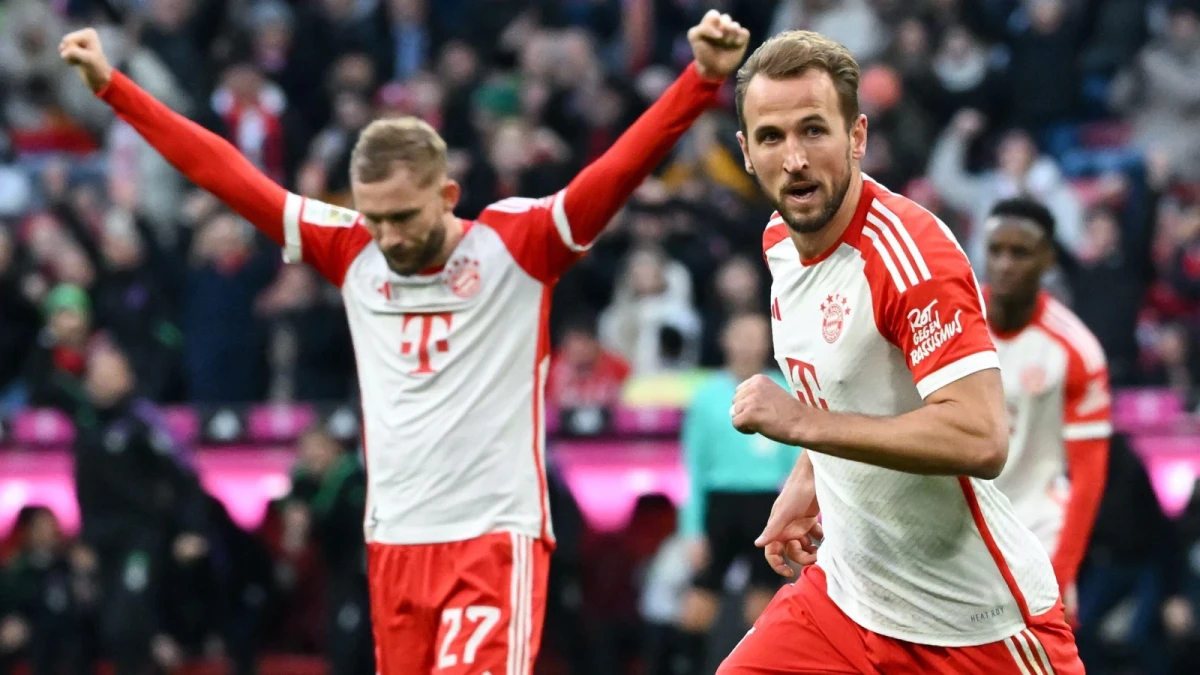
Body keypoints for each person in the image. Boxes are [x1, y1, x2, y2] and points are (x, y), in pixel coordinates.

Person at [59, 12, 750, 674]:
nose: (386, 236)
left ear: (448, 193)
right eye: (374, 217)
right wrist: (114, 89)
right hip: (393, 541)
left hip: (491, 538)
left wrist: (700, 80)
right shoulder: (349, 248)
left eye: (402, 216)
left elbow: (619, 169)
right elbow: (224, 173)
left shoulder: (517, 244)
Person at [720, 30, 1085, 673]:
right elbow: (845, 383)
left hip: (971, 627)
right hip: (845, 601)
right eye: (773, 138)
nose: (795, 159)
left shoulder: (909, 256)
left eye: (814, 131)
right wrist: (808, 479)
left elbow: (980, 436)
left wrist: (800, 425)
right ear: (747, 152)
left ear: (857, 137)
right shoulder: (781, 240)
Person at [983, 197, 1111, 618]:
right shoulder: (951, 318)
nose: (1004, 264)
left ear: (1048, 260)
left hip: (1033, 528)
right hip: (955, 519)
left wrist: (1063, 568)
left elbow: (1088, 473)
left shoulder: (1076, 350)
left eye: (1019, 253)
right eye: (996, 250)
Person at [676, 313, 798, 674]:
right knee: (698, 605)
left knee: (762, 610)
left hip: (768, 506)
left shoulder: (783, 391)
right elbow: (693, 469)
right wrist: (692, 531)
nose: (749, 343)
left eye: (757, 336)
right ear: (725, 340)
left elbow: (798, 466)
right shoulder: (706, 396)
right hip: (720, 506)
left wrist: (796, 520)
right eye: (741, 335)